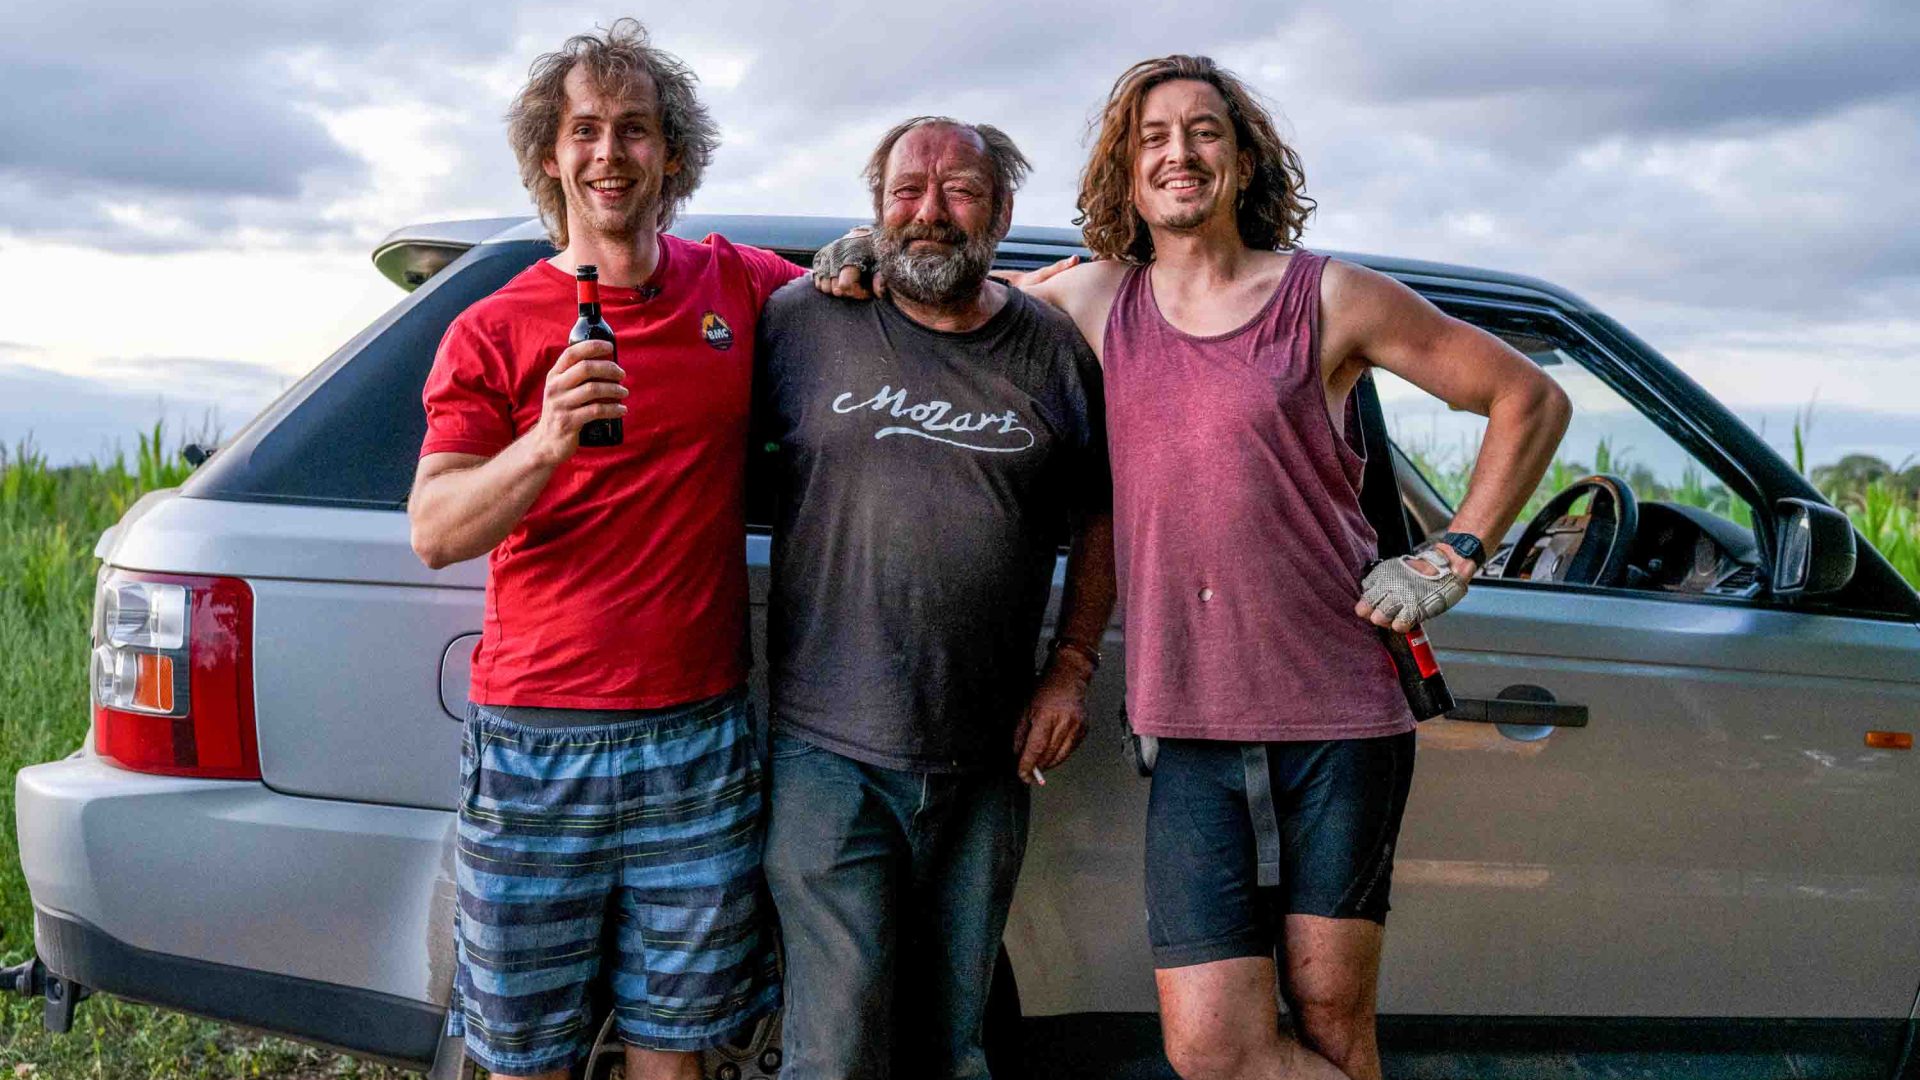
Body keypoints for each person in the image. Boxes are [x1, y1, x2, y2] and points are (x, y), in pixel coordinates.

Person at [816, 55, 1569, 1080]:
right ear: (1125, 172)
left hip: (1339, 712)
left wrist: (1455, 550)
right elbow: (962, 304)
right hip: (1191, 723)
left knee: (1333, 1020)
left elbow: (1528, 398)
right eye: (1154, 137)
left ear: (1244, 159)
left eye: (1205, 131)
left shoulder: (1330, 296)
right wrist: (873, 251)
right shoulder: (1095, 299)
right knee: (1213, 1046)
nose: (1180, 153)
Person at [407, 20, 802, 1080]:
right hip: (538, 746)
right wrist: (544, 441)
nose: (609, 152)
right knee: (525, 1056)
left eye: (635, 129)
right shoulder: (493, 328)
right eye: (585, 129)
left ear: (672, 153)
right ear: (550, 153)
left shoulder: (737, 285)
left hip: (697, 738)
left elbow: (875, 307)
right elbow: (436, 529)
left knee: (677, 1051)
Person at [758, 116, 1116, 1079]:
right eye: (905, 191)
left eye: (959, 190)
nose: (929, 211)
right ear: (875, 210)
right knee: (834, 1055)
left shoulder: (1052, 350)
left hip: (987, 760)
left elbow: (1102, 516)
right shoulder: (800, 322)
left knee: (953, 1050)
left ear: (1000, 211)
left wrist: (1071, 667)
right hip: (827, 756)